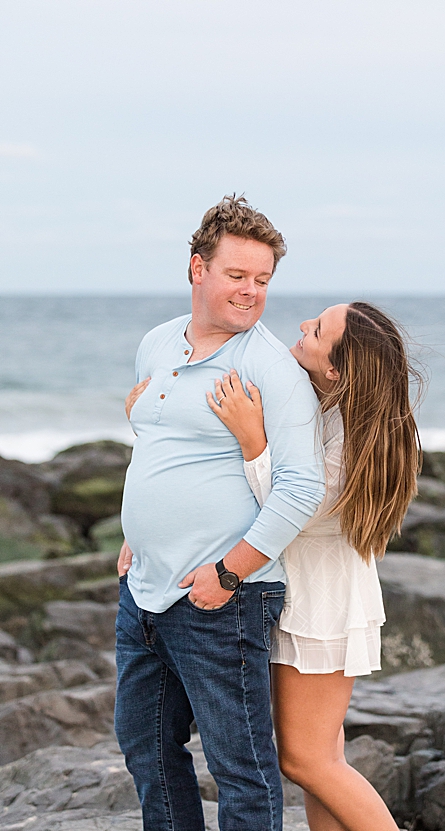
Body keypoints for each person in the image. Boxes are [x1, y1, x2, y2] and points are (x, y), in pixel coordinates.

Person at [116, 195, 325, 829]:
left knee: (242, 768)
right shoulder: (157, 343)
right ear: (196, 268)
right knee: (147, 750)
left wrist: (229, 573)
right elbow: (158, 444)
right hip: (145, 587)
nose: (251, 292)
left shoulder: (270, 368)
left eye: (262, 280)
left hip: (223, 599)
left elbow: (300, 488)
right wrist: (137, 536)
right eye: (237, 275)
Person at [206, 301, 420, 831]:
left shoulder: (352, 441)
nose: (302, 325)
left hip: (321, 607)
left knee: (305, 759)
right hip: (304, 592)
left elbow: (289, 509)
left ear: (336, 369)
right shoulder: (331, 409)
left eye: (318, 330)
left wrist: (251, 437)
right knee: (322, 760)